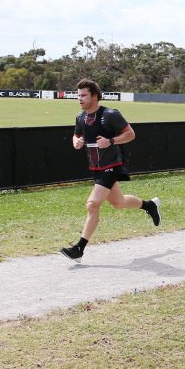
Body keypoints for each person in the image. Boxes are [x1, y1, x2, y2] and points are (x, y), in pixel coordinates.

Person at [60, 78, 161, 262]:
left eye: (83, 95)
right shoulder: (80, 117)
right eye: (78, 96)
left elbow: (131, 134)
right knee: (119, 203)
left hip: (111, 166)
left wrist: (111, 141)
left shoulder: (110, 114)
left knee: (92, 204)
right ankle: (150, 205)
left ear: (95, 96)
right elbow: (76, 134)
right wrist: (76, 142)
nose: (79, 99)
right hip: (96, 168)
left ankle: (79, 249)